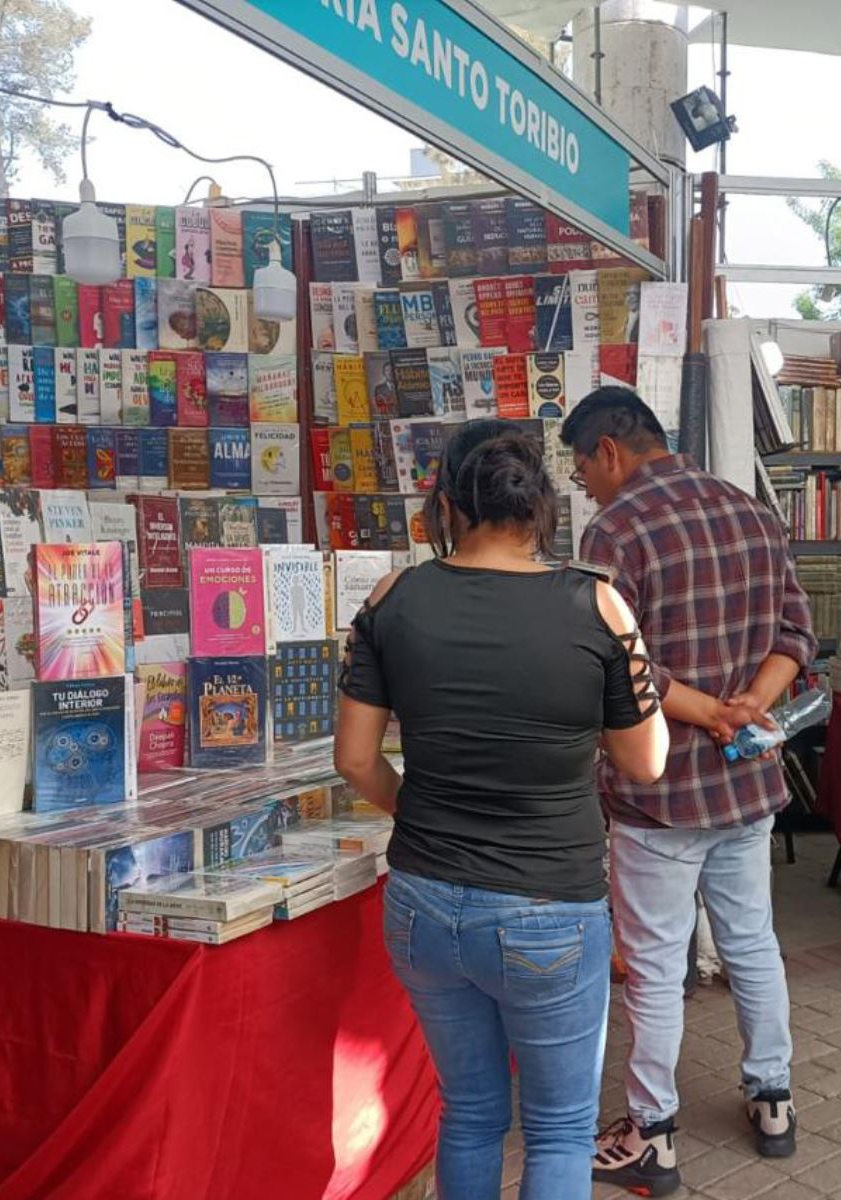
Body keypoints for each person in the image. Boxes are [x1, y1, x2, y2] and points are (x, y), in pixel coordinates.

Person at [335, 419, 669, 1199]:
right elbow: (646, 761)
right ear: (544, 504)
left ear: (448, 502)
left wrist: (416, 810)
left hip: (421, 902)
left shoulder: (394, 597)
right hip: (550, 905)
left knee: (470, 1110)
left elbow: (354, 760)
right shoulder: (599, 606)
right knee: (557, 1129)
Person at [562, 388, 816, 1197]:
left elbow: (614, 659)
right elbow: (795, 634)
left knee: (656, 967)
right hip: (746, 780)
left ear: (609, 450)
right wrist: (749, 708)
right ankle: (772, 1102)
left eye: (581, 468)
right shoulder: (748, 510)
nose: (584, 487)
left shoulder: (615, 529)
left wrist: (707, 712)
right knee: (753, 948)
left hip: (659, 793)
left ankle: (654, 1133)